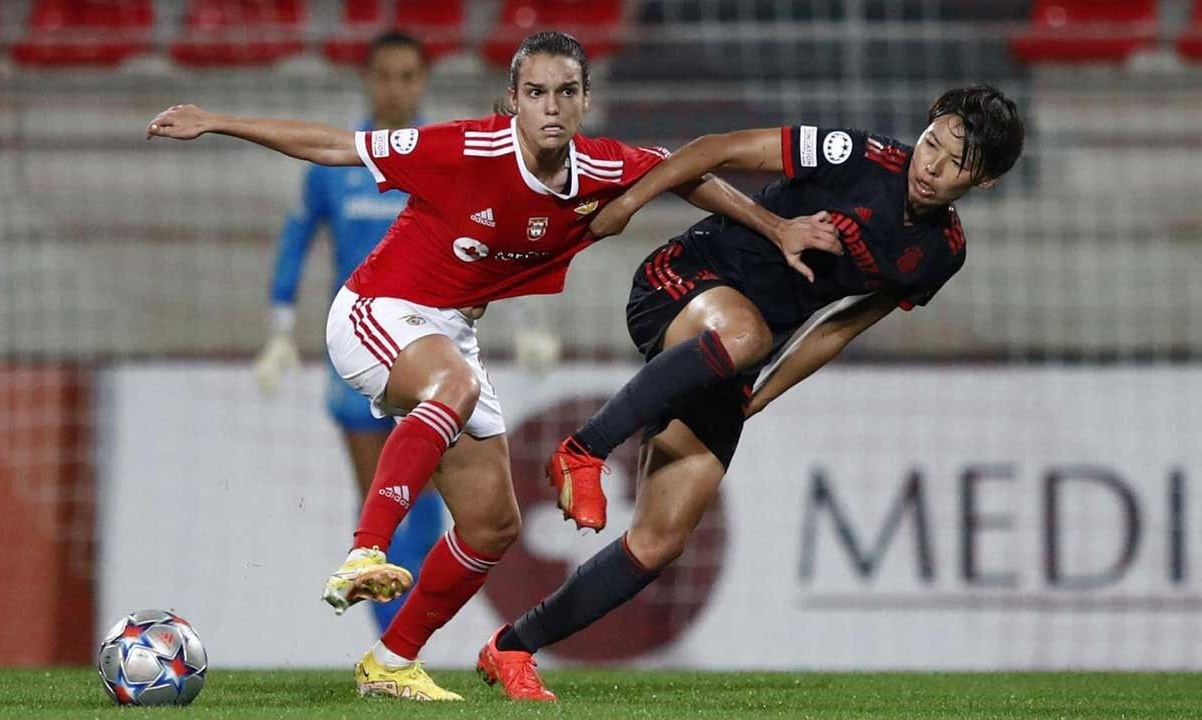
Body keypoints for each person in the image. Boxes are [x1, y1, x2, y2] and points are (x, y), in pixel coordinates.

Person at [146, 31, 839, 701]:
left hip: (452, 333)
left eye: (567, 92)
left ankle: (389, 663)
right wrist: (215, 121)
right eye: (536, 92)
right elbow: (337, 146)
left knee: (492, 527)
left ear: (585, 101)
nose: (552, 107)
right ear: (512, 99)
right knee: (454, 384)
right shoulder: (464, 146)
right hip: (377, 310)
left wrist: (775, 227)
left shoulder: (597, 165)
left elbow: (683, 173)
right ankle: (366, 549)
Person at [477, 85, 1025, 701]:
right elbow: (715, 150)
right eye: (933, 143)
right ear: (925, 129)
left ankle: (511, 649)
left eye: (957, 164)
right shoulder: (855, 155)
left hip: (741, 351)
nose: (932, 166)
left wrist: (760, 396)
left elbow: (842, 325)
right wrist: (631, 204)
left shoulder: (941, 253)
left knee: (661, 540)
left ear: (985, 183)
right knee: (746, 333)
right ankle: (584, 449)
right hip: (684, 279)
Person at [252, 31, 445, 635]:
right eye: (385, 75)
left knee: (433, 503)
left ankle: (405, 639)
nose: (396, 87)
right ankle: (391, 647)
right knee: (379, 508)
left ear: (422, 82)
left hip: (431, 349)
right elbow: (295, 239)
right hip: (358, 355)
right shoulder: (340, 164)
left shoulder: (444, 157)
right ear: (368, 81)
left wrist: (525, 320)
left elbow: (495, 240)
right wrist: (280, 327)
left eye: (407, 75)